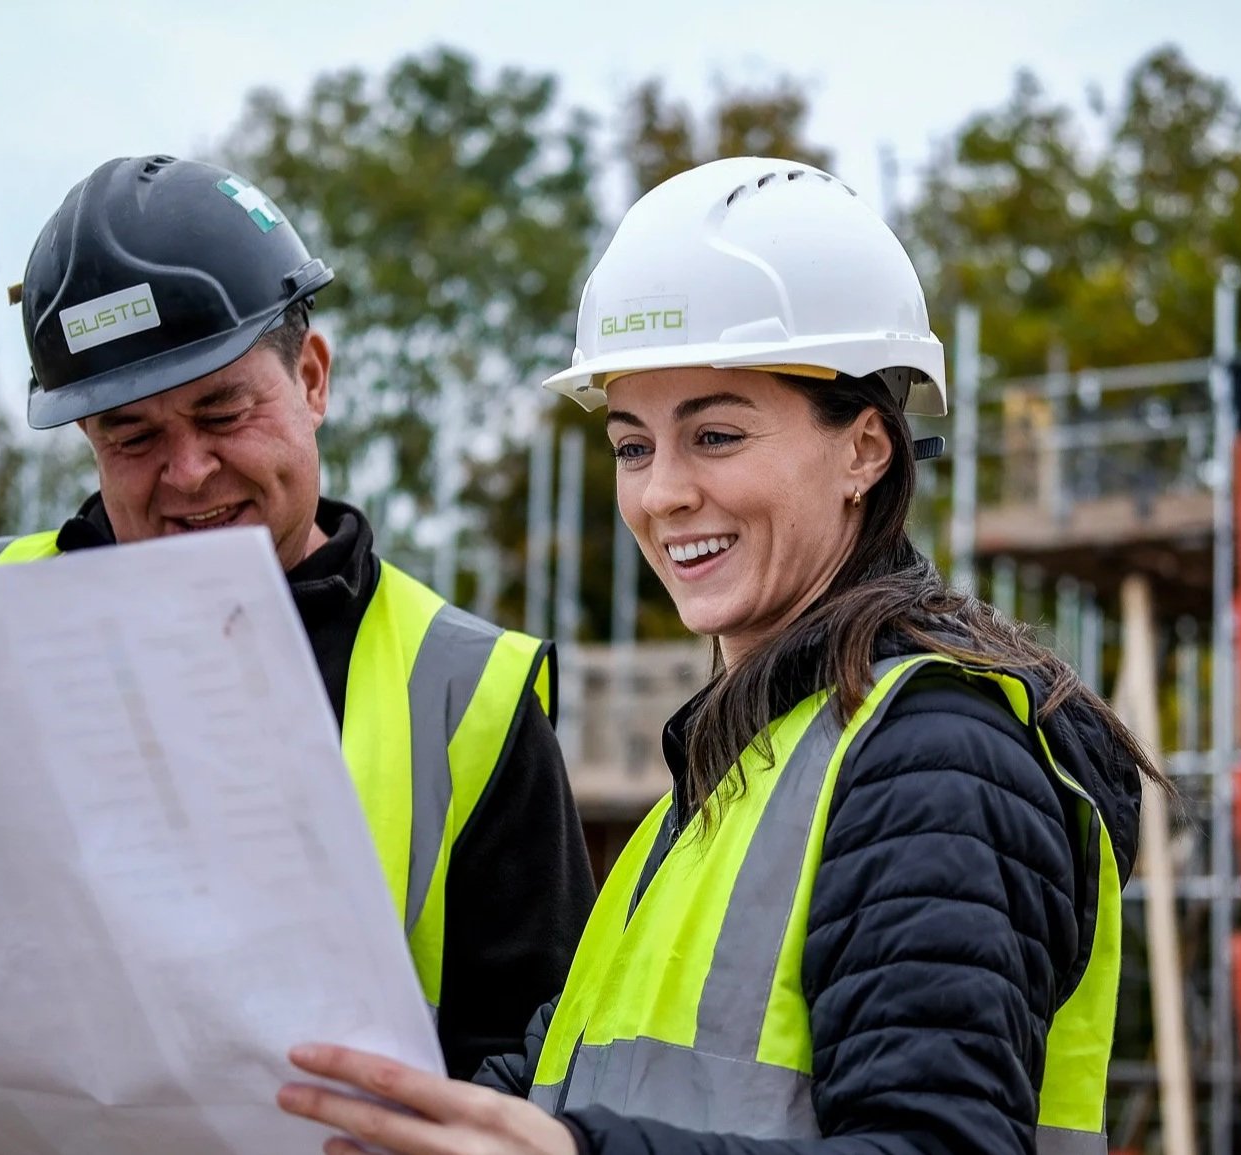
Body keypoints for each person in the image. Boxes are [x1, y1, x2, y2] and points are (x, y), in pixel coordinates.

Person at [277, 156, 1152, 1154]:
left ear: (866, 448)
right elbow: (576, 1075)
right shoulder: (733, 778)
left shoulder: (936, 760)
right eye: (633, 445)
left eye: (718, 435)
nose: (662, 496)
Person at [0, 155, 596, 1080]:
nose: (187, 473)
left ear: (313, 378)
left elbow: (531, 1070)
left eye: (222, 411)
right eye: (131, 436)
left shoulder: (465, 698)